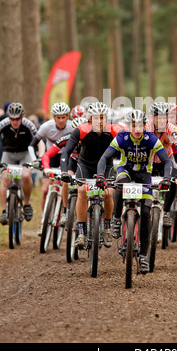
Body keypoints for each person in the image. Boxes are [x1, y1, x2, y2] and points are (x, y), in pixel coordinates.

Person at [96, 109, 173, 274]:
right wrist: (101, 175)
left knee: (146, 213)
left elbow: (166, 161)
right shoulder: (122, 138)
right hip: (126, 171)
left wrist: (166, 178)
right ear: (128, 125)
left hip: (144, 176)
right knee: (119, 185)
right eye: (133, 125)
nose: (137, 129)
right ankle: (116, 219)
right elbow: (104, 157)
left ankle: (144, 257)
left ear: (145, 125)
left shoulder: (151, 139)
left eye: (140, 125)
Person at [60, 102, 122, 249]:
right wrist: (64, 171)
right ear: (90, 119)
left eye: (102, 118)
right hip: (85, 165)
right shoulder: (81, 130)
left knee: (109, 193)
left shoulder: (113, 131)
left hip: (106, 165)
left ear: (106, 118)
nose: (99, 121)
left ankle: (107, 227)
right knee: (82, 191)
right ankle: (81, 231)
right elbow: (66, 152)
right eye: (96, 118)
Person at [0, 103, 40, 225]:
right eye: (12, 119)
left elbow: (40, 142)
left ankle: (27, 204)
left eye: (18, 118)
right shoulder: (3, 124)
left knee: (26, 175)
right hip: (8, 153)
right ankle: (4, 211)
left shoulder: (28, 124)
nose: (15, 121)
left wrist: (40, 158)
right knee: (5, 178)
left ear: (23, 116)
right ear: (8, 117)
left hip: (25, 153)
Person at [28, 102, 73, 235]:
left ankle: (66, 211)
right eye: (58, 117)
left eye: (63, 117)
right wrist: (36, 160)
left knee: (66, 184)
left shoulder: (72, 126)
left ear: (67, 117)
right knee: (45, 190)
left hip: (67, 157)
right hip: (51, 157)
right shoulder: (46, 127)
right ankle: (44, 219)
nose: (60, 120)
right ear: (53, 117)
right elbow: (32, 145)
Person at [145, 102, 177, 226]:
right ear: (152, 117)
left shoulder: (173, 130)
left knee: (174, 179)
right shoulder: (146, 128)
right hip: (148, 161)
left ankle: (166, 212)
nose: (161, 120)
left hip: (166, 161)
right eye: (158, 117)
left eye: (164, 117)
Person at [40, 117, 86, 227]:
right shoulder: (66, 138)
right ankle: (65, 211)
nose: (79, 138)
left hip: (86, 164)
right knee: (66, 180)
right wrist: (46, 167)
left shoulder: (93, 139)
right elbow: (47, 154)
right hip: (73, 162)